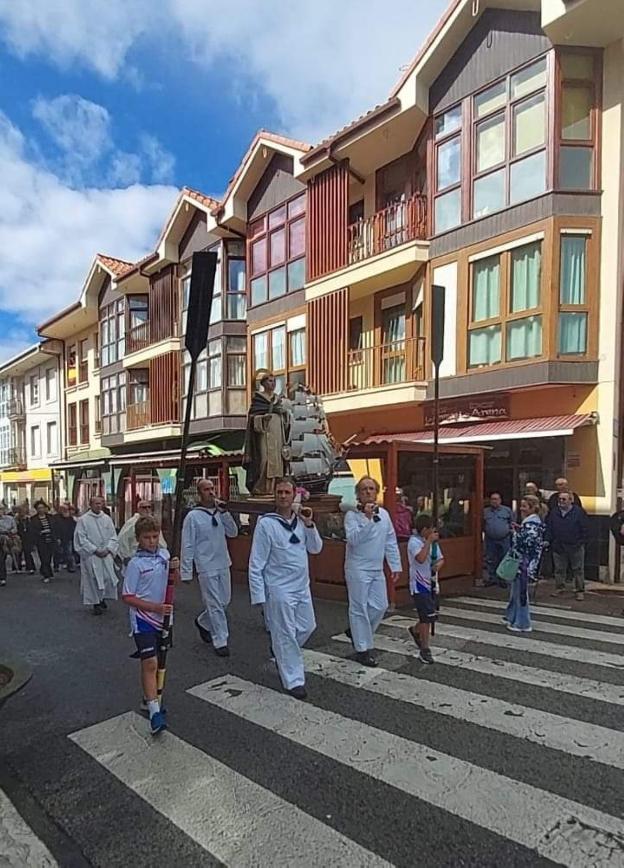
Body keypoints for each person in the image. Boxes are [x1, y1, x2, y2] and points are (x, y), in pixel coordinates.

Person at [248, 478, 322, 699]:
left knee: (308, 626)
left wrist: (310, 525)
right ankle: (294, 680)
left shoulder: (301, 521)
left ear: (293, 495)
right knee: (286, 632)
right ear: (275, 495)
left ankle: (280, 649)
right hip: (278, 588)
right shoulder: (266, 524)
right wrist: (259, 595)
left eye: (286, 492)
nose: (283, 496)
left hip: (302, 586)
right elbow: (256, 562)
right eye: (279, 492)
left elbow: (316, 548)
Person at [121, 515, 179, 736]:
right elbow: (127, 596)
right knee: (150, 663)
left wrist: (175, 568)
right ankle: (155, 712)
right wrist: (154, 607)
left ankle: (149, 697)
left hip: (164, 619)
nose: (152, 541)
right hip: (144, 620)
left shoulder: (165, 555)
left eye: (155, 537)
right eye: (147, 537)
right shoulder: (136, 564)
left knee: (161, 661)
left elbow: (175, 582)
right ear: (138, 539)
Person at [344, 477, 402, 667]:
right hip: (357, 568)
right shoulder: (352, 516)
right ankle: (363, 649)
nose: (368, 492)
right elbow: (353, 540)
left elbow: (390, 541)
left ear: (376, 492)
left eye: (371, 489)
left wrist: (395, 565)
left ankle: (356, 632)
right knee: (359, 607)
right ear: (358, 494)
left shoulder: (384, 515)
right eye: (363, 489)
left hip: (376, 568)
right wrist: (367, 520)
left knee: (380, 606)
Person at [181, 479, 238, 657]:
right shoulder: (193, 517)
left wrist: (226, 513)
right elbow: (187, 544)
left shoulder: (221, 513)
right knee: (214, 603)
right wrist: (186, 571)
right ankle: (220, 639)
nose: (211, 492)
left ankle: (203, 622)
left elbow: (233, 532)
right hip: (205, 566)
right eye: (206, 489)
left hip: (223, 562)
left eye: (212, 488)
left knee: (224, 601)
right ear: (199, 493)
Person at [243, 370, 291, 495]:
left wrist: (285, 417)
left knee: (277, 463)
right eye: (270, 381)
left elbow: (284, 419)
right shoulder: (258, 400)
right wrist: (262, 419)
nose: (273, 383)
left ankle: (274, 487)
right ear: (263, 383)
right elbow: (252, 419)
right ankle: (262, 488)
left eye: (274, 381)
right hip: (263, 434)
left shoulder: (278, 400)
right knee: (263, 460)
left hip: (277, 435)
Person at [407, 514, 444, 663]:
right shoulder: (414, 542)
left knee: (430, 614)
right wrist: (428, 542)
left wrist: (438, 566)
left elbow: (441, 558)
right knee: (426, 616)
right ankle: (425, 648)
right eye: (430, 530)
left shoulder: (433, 543)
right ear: (424, 529)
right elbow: (420, 558)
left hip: (431, 582)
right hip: (418, 583)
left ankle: (416, 630)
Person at [504, 496, 545, 632]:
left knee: (521, 592)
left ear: (532, 508)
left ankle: (523, 623)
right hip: (525, 562)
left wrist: (515, 534)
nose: (521, 509)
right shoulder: (531, 523)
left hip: (524, 563)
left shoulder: (532, 525)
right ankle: (513, 617)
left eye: (524, 506)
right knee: (516, 590)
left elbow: (526, 544)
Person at [74, 496, 119, 614]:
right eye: (96, 503)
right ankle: (96, 602)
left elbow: (113, 536)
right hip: (92, 555)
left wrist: (109, 548)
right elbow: (81, 538)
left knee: (107, 577)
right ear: (90, 505)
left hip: (105, 554)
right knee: (93, 579)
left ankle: (102, 597)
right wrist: (94, 550)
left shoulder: (107, 519)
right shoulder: (83, 520)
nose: (98, 506)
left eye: (100, 503)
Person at [546, 490, 589, 601]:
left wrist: (581, 542)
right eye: (559, 499)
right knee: (559, 569)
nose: (561, 501)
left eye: (564, 499)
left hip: (575, 546)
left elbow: (585, 528)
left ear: (571, 500)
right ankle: (560, 588)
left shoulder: (579, 512)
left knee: (578, 569)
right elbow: (549, 527)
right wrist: (547, 540)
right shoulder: (554, 512)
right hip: (558, 545)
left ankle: (579, 591)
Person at [118, 501, 167, 565]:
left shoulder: (154, 522)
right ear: (138, 509)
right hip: (135, 557)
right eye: (144, 507)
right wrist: (126, 557)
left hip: (153, 558)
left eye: (149, 507)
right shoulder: (131, 523)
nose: (147, 509)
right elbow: (122, 540)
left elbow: (161, 542)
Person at [483, 492, 513, 587]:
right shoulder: (485, 511)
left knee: (504, 559)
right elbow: (482, 524)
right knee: (491, 559)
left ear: (500, 500)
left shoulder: (507, 511)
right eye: (492, 499)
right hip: (490, 539)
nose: (494, 501)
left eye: (496, 499)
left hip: (504, 539)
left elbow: (512, 523)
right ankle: (492, 578)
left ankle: (503, 580)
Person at [30, 501, 56, 584]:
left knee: (49, 558)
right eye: (39, 508)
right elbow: (32, 531)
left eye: (42, 508)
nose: (41, 510)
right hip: (41, 541)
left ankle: (46, 571)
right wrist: (40, 532)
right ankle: (46, 575)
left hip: (51, 540)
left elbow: (55, 528)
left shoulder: (50, 517)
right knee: (43, 558)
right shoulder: (34, 519)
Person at [54, 503, 77, 572]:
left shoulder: (70, 518)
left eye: (66, 509)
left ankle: (70, 566)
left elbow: (73, 527)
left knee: (69, 552)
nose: (65, 510)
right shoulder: (56, 518)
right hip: (59, 538)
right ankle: (56, 566)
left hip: (68, 538)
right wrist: (57, 537)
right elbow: (55, 528)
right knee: (57, 552)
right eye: (63, 509)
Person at [0, 504, 18, 586]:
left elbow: (15, 529)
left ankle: (2, 577)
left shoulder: (10, 519)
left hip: (7, 538)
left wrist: (10, 532)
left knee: (2, 559)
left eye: (1, 509)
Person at [15, 505, 36, 574]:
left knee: (27, 552)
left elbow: (31, 529)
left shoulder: (29, 519)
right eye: (21, 511)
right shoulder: (16, 520)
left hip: (27, 537)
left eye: (23, 511)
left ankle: (30, 567)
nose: (22, 513)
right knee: (18, 552)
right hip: (18, 537)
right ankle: (17, 567)